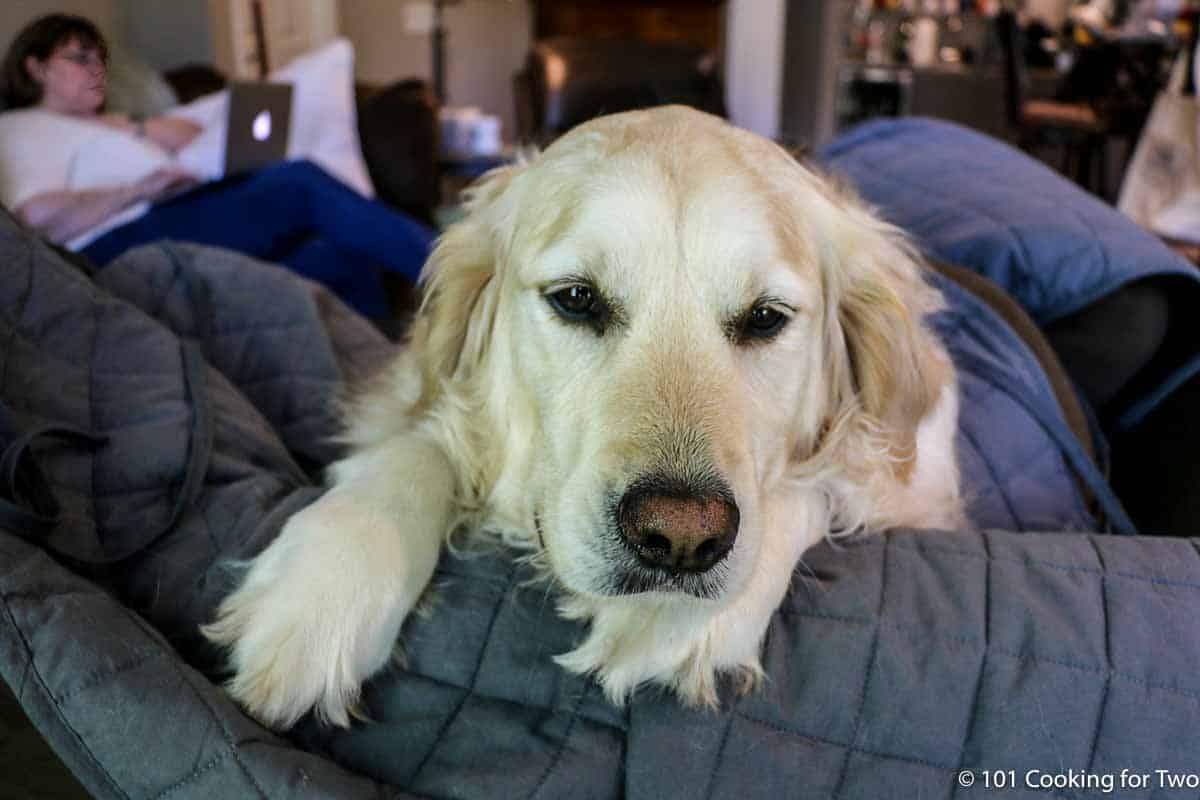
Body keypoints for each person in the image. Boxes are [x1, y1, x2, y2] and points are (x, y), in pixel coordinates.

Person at [0, 14, 434, 318]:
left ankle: (392, 375)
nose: (96, 69)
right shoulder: (23, 127)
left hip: (176, 210)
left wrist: (128, 125)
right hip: (119, 245)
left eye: (99, 59)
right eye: (80, 58)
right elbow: (35, 218)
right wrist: (137, 190)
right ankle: (461, 273)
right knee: (301, 183)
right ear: (35, 67)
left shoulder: (109, 126)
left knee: (340, 253)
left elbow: (189, 137)